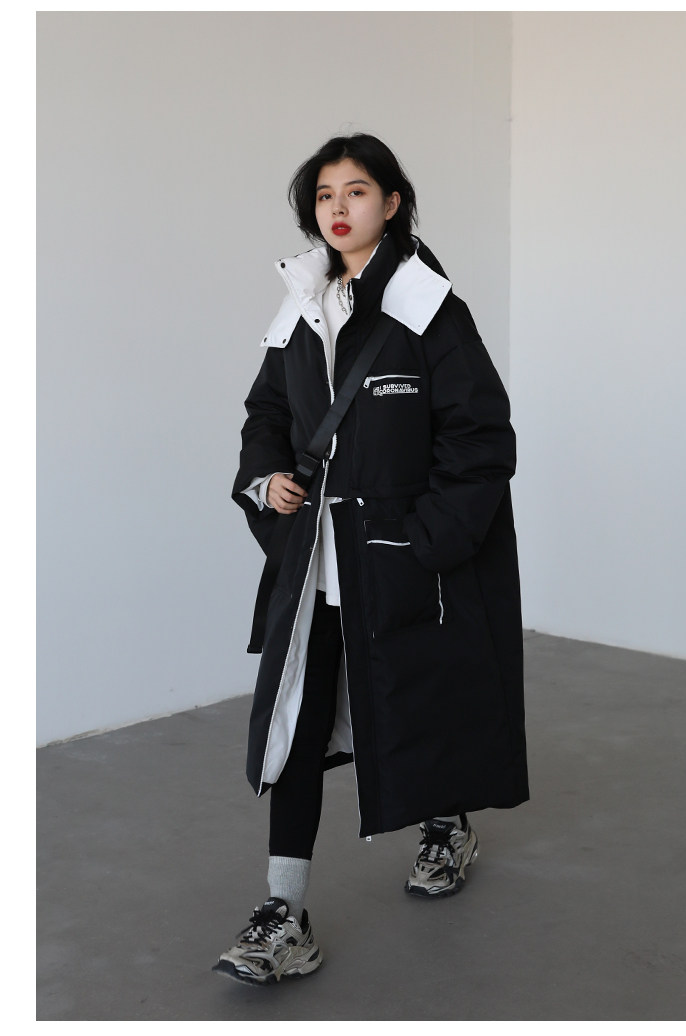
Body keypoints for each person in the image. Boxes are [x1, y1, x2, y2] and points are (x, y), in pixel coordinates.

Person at [215, 133, 529, 985]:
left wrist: (425, 543)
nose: (338, 208)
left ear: (391, 204)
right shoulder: (301, 305)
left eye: (356, 191)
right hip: (317, 563)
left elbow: (481, 438)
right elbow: (265, 415)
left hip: (400, 563)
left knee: (418, 699)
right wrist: (269, 477)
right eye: (325, 195)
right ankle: (284, 913)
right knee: (299, 722)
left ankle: (446, 826)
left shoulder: (429, 308)